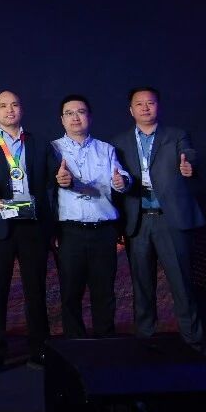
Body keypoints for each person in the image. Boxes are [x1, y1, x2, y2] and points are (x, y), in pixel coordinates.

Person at [0, 91, 53, 371]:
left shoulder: (39, 142)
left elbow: (53, 180)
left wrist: (63, 178)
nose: (9, 110)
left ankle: (39, 351)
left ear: (21, 109)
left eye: (14, 104)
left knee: (35, 291)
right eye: (2, 106)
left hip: (33, 225)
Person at [112, 87, 204, 351]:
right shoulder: (119, 142)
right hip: (138, 221)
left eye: (150, 103)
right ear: (131, 110)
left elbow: (189, 154)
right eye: (139, 104)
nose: (145, 107)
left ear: (158, 106)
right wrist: (120, 184)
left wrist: (189, 166)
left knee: (181, 285)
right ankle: (146, 344)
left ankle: (193, 344)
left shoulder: (176, 135)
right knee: (141, 286)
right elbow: (117, 178)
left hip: (170, 220)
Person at [52, 95, 130, 339]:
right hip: (69, 232)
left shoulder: (106, 149)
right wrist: (58, 180)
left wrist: (121, 182)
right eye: (69, 113)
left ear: (90, 117)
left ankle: (105, 344)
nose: (75, 117)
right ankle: (75, 346)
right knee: (70, 293)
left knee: (104, 292)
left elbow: (121, 177)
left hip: (103, 231)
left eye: (81, 112)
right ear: (62, 119)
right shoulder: (52, 150)